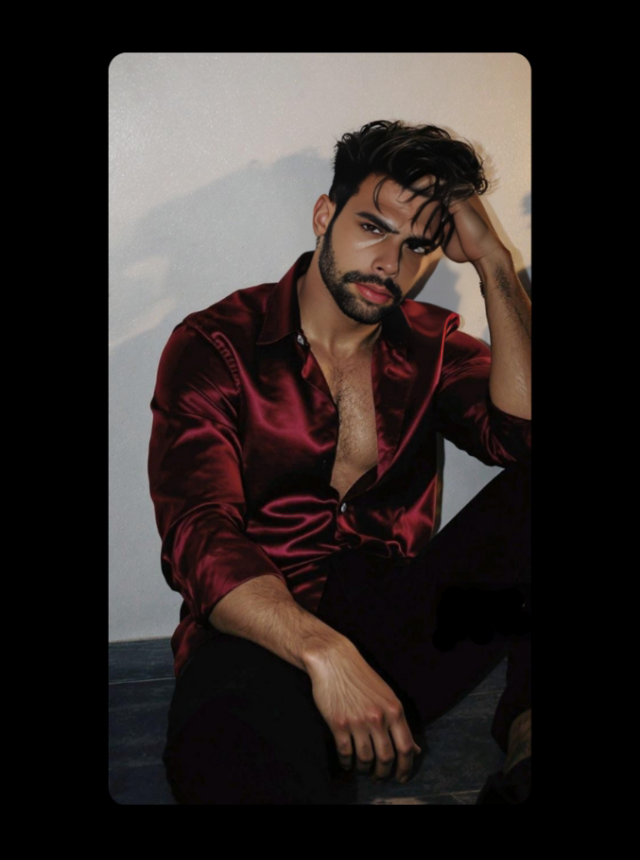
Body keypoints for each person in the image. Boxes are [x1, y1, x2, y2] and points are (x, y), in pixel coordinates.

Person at [147, 119, 532, 805]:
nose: (391, 264)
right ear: (325, 215)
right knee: (232, 754)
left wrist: (495, 263)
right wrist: (324, 652)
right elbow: (198, 533)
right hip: (262, 635)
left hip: (403, 634)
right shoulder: (215, 345)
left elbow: (520, 439)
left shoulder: (431, 345)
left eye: (418, 245)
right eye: (374, 228)